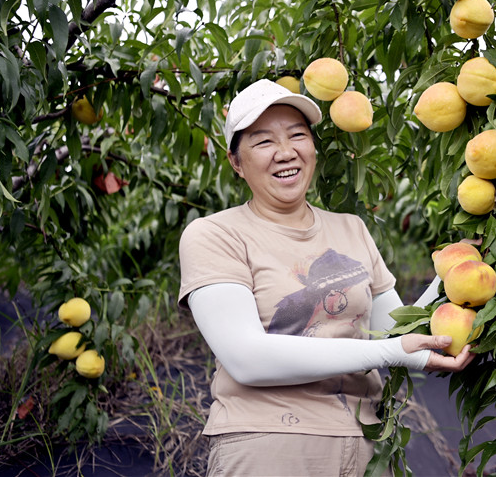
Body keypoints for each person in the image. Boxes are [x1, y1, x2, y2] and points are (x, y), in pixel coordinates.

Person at [178, 79, 475, 476]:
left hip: (367, 444)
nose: (286, 152)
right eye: (263, 142)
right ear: (236, 162)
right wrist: (390, 352)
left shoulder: (350, 229)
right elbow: (247, 359)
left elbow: (395, 330)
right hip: (270, 444)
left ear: (313, 148)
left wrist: (455, 271)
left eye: (298, 135)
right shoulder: (215, 234)